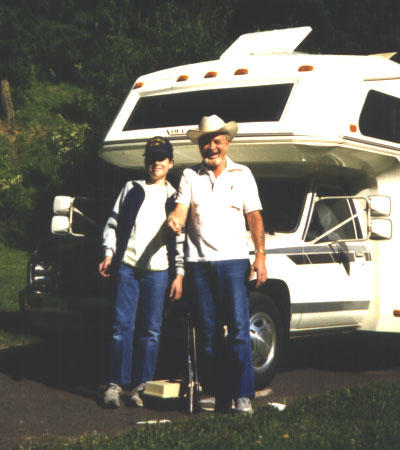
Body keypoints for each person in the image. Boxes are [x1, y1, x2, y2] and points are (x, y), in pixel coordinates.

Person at [167, 115, 267, 414]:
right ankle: (213, 391)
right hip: (199, 265)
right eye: (205, 142)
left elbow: (254, 216)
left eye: (216, 142)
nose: (211, 147)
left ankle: (243, 395)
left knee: (238, 330)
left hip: (234, 263)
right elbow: (182, 209)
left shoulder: (243, 174)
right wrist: (175, 219)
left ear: (227, 143)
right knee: (207, 333)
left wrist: (260, 255)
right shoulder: (189, 175)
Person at [99, 136, 184, 408]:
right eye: (151, 158)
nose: (156, 162)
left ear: (171, 163)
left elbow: (182, 239)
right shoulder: (131, 188)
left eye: (161, 158)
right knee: (121, 326)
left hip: (159, 272)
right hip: (127, 267)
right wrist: (109, 253)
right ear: (145, 162)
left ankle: (140, 386)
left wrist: (179, 273)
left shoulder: (177, 197)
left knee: (151, 331)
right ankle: (115, 385)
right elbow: (112, 224)